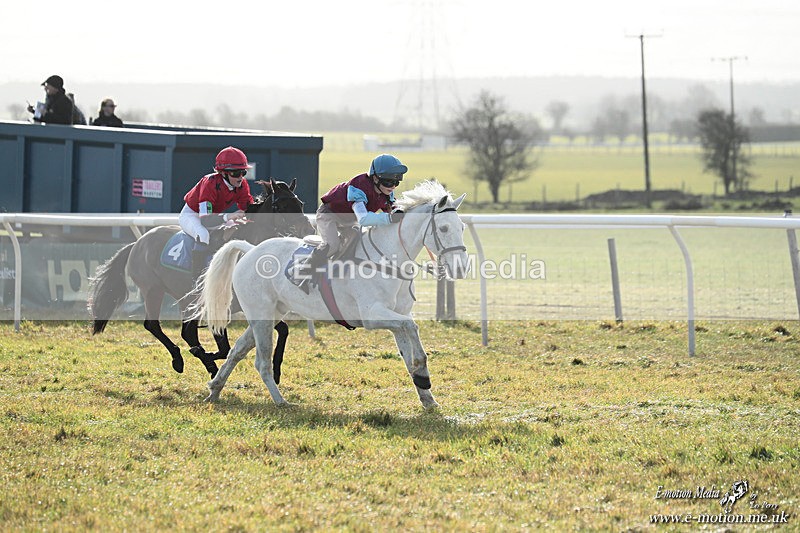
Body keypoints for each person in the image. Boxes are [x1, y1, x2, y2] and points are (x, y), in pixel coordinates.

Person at [305, 153, 407, 271]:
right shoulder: (358, 186)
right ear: (375, 178)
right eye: (388, 182)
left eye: (397, 182)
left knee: (357, 242)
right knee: (332, 246)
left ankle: (335, 268)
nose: (393, 186)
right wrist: (388, 218)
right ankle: (303, 269)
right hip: (329, 214)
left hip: (349, 219)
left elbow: (394, 210)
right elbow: (363, 219)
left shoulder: (387, 192)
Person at [179, 146, 254, 283]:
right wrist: (228, 217)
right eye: (236, 173)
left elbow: (248, 208)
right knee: (203, 234)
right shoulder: (210, 183)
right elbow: (206, 221)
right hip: (193, 215)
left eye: (243, 172)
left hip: (214, 216)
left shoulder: (242, 185)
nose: (240, 177)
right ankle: (197, 279)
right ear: (223, 173)